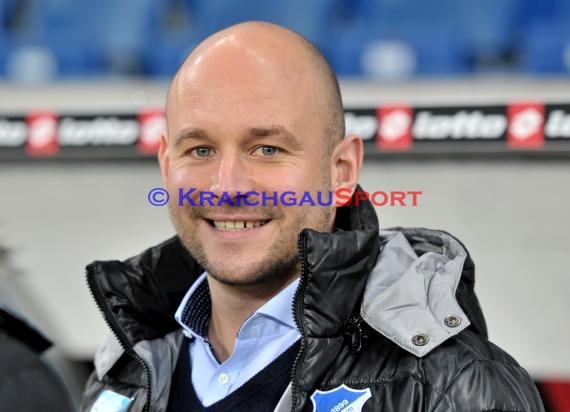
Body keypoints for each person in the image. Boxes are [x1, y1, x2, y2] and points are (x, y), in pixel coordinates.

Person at [81, 21, 544, 412]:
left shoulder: (453, 386)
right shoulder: (123, 369)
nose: (226, 186)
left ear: (340, 170)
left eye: (267, 149)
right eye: (199, 149)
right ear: (166, 165)